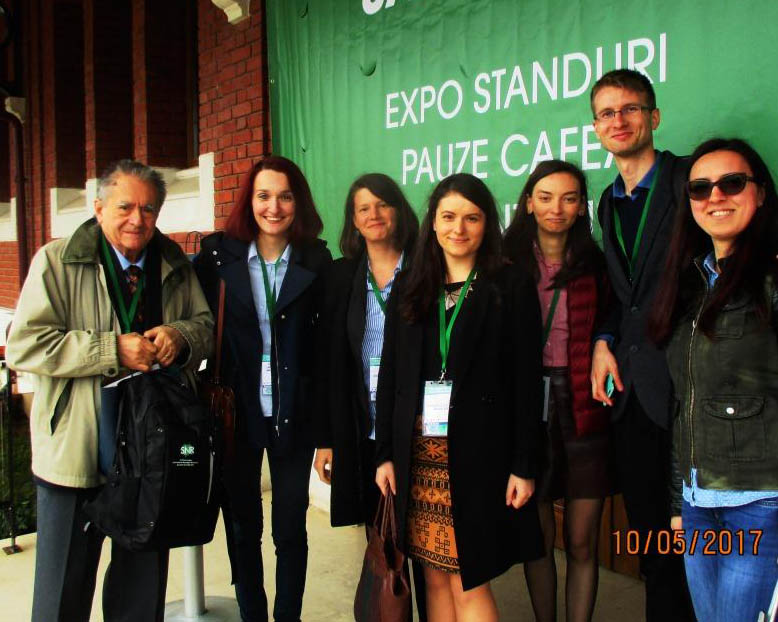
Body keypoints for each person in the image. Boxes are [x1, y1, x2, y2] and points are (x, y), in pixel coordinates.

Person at [6, 160, 214, 622]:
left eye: (148, 209)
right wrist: (110, 350)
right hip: (77, 451)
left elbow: (204, 327)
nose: (137, 219)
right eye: (125, 207)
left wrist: (180, 336)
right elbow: (25, 345)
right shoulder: (56, 261)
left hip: (150, 455)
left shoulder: (174, 264)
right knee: (61, 596)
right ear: (98, 207)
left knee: (140, 596)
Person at [375, 173, 544, 621]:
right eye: (448, 217)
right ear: (433, 222)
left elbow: (528, 383)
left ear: (488, 224)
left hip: (479, 456)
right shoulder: (411, 285)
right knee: (433, 576)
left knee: (470, 579)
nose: (459, 228)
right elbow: (391, 376)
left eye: (472, 218)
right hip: (419, 458)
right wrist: (385, 454)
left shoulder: (510, 285)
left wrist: (524, 466)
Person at [194, 155, 331, 622]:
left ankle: (288, 616)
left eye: (285, 196)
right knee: (242, 524)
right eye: (264, 196)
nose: (274, 207)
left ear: (299, 202)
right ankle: (252, 613)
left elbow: (326, 351)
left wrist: (327, 434)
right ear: (249, 201)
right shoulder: (218, 257)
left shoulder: (316, 260)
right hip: (237, 412)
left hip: (295, 412)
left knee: (290, 527)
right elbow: (191, 319)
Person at [648, 138, 778, 622]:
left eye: (732, 183)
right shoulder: (691, 284)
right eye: (700, 188)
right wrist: (678, 504)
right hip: (698, 503)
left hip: (761, 504)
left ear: (759, 192)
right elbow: (684, 404)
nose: (715, 196)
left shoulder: (772, 281)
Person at [588, 68, 695, 620]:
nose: (618, 120)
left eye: (630, 108)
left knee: (699, 544)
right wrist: (603, 339)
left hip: (691, 389)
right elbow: (622, 294)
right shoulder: (608, 204)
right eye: (606, 113)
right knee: (654, 543)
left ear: (654, 116)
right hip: (632, 395)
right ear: (596, 128)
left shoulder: (689, 181)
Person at [312, 173, 427, 620]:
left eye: (383, 204)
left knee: (425, 546)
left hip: (415, 428)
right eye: (364, 208)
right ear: (354, 221)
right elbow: (330, 361)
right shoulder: (342, 276)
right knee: (381, 538)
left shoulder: (424, 270)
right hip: (362, 428)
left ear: (399, 211)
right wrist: (327, 440)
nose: (374, 215)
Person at [503, 160, 612, 622]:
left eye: (569, 198)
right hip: (529, 403)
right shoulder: (506, 263)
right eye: (545, 197)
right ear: (528, 202)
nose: (556, 208)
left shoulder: (596, 263)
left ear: (582, 207)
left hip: (585, 404)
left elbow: (614, 320)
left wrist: (604, 341)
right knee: (539, 537)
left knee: (583, 541)